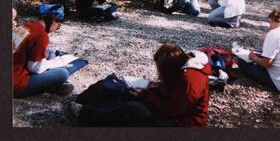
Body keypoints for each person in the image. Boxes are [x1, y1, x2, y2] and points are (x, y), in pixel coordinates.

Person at [73, 43, 212, 127]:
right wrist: (153, 89)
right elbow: (173, 93)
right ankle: (90, 106)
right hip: (172, 108)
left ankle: (85, 114)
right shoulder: (183, 69)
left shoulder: (190, 80)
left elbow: (171, 111)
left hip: (182, 123)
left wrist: (149, 97)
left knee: (134, 109)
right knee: (130, 94)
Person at [13, 14, 74, 98]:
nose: (55, 30)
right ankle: (54, 86)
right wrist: (52, 64)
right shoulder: (41, 35)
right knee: (63, 73)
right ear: (53, 21)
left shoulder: (24, 26)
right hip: (16, 85)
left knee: (48, 53)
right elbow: (34, 69)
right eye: (58, 26)